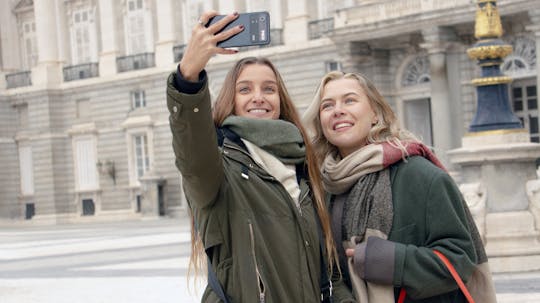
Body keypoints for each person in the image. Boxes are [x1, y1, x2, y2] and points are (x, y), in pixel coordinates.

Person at [167, 11, 354, 302]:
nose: (259, 97)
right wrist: (187, 79)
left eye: (269, 89)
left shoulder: (304, 168)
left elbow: (328, 269)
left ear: (281, 101)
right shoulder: (219, 168)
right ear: (231, 100)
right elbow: (192, 151)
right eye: (245, 89)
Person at [303, 71, 497, 302]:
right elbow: (331, 269)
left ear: (375, 113)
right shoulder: (323, 187)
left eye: (350, 100)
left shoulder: (419, 175)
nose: (338, 110)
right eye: (327, 105)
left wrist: (393, 261)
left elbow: (461, 259)